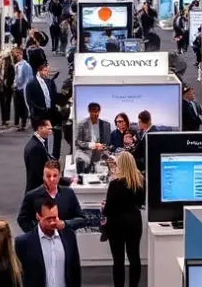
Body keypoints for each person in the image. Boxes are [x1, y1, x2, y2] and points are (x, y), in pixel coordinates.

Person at [15, 199, 82, 287]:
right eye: (48, 219)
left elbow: (75, 271)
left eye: (54, 217)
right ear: (38, 216)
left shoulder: (69, 237)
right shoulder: (23, 243)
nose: (52, 222)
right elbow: (19, 276)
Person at [103, 151, 145, 287]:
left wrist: (104, 206)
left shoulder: (115, 183)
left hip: (116, 223)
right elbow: (141, 202)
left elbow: (108, 209)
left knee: (118, 259)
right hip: (134, 221)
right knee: (134, 257)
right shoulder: (140, 181)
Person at [18, 160, 86, 233]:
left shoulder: (68, 193)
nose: (52, 179)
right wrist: (36, 233)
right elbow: (22, 220)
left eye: (55, 175)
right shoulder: (32, 196)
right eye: (48, 176)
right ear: (43, 176)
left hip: (64, 240)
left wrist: (65, 224)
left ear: (59, 176)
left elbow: (81, 219)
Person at [26, 60, 62, 158]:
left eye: (48, 71)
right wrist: (39, 109)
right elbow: (30, 101)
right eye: (46, 71)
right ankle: (44, 154)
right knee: (43, 135)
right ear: (40, 71)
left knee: (58, 133)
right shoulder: (31, 84)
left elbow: (54, 96)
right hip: (40, 114)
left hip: (51, 112)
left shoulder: (49, 82)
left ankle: (55, 155)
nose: (47, 73)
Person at [75, 101, 112, 169]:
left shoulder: (106, 125)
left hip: (101, 152)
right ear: (89, 111)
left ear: (99, 111)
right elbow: (77, 142)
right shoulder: (82, 124)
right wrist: (91, 145)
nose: (95, 113)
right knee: (81, 161)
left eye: (97, 111)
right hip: (86, 153)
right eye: (93, 111)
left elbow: (107, 142)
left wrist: (101, 147)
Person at [24, 118, 56, 192]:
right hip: (37, 191)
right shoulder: (35, 147)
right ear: (40, 128)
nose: (50, 132)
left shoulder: (39, 143)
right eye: (48, 129)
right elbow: (39, 172)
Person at [13, 47, 34, 129]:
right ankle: (17, 123)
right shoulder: (16, 65)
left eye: (18, 54)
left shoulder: (26, 66)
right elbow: (16, 76)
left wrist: (25, 88)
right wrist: (14, 84)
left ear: (22, 55)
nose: (17, 56)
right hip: (17, 88)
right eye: (16, 55)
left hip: (23, 89)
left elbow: (28, 78)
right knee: (17, 106)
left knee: (23, 106)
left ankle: (23, 122)